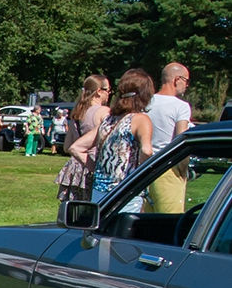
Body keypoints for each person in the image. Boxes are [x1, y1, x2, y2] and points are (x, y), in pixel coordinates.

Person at [71, 68, 154, 210]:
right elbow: (147, 151)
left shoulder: (109, 120)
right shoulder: (140, 119)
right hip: (126, 192)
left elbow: (76, 148)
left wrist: (95, 168)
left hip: (99, 192)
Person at [144, 62, 193, 213]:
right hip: (168, 168)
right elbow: (181, 141)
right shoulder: (181, 106)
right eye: (186, 81)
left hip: (144, 170)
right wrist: (183, 170)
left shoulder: (146, 102)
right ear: (177, 79)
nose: (186, 86)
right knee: (169, 224)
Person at [56, 74, 111, 202]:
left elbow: (67, 146)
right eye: (107, 90)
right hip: (92, 165)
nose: (109, 94)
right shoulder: (104, 112)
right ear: (98, 92)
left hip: (74, 167)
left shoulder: (77, 112)